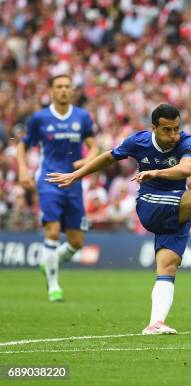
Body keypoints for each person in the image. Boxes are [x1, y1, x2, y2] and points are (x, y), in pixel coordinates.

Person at [47, 103, 191, 334]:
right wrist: (77, 174)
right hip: (151, 204)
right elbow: (109, 157)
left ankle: (155, 323)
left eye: (176, 128)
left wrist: (155, 172)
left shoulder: (187, 141)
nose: (173, 135)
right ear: (154, 128)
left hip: (176, 211)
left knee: (168, 266)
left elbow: (186, 169)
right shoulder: (138, 141)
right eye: (167, 130)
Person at [17, 74, 99, 302]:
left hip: (73, 181)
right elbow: (23, 147)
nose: (63, 90)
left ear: (72, 90)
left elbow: (94, 145)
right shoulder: (40, 118)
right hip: (49, 181)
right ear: (52, 91)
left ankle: (48, 262)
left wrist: (87, 160)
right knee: (52, 232)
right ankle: (54, 286)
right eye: (59, 87)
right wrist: (23, 171)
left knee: (76, 242)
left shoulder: (82, 117)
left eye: (67, 86)